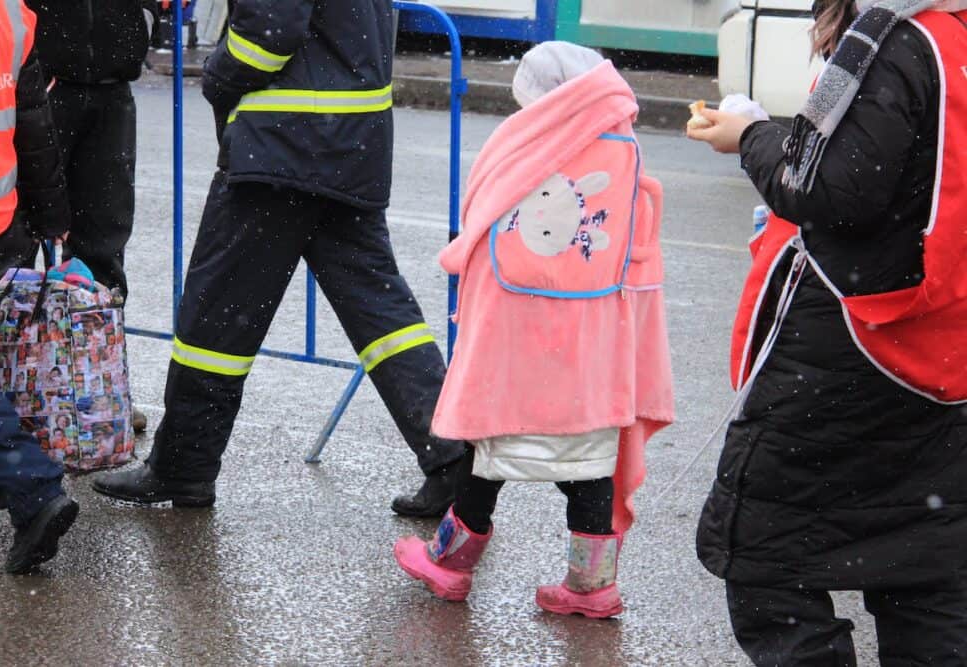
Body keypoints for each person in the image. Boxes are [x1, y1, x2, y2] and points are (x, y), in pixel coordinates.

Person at [90, 0, 465, 515]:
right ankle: (452, 458)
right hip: (350, 145)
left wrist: (218, 78)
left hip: (283, 146)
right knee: (381, 313)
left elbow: (269, 33)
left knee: (216, 318)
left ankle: (183, 467)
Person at [688, 0, 967, 663]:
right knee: (923, 575)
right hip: (940, 352)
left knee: (762, 560)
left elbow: (825, 187)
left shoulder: (892, 37)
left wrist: (751, 134)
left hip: (849, 351)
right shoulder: (953, 33)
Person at [393, 42, 674, 617]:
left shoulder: (530, 145)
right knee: (591, 457)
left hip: (516, 330)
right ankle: (592, 587)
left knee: (490, 443)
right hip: (593, 338)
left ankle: (450, 565)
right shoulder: (622, 145)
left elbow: (483, 220)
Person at [0, 0, 79, 574]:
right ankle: (29, 487)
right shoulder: (7, 10)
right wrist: (50, 212)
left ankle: (31, 487)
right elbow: (32, 117)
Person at [19, 0, 156, 434]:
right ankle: (13, 393)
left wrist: (143, 22)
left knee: (102, 246)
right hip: (39, 81)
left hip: (111, 87)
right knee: (18, 248)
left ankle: (97, 389)